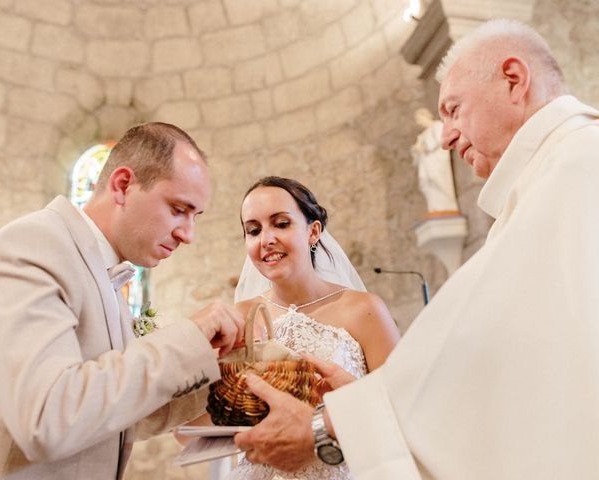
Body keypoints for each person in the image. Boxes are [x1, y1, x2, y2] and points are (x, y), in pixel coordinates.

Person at [233, 19, 599, 479]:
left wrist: (333, 427)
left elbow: (502, 372)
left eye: (453, 109)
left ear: (513, 79)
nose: (444, 137)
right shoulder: (555, 176)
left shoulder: (576, 170)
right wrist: (369, 400)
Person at [0, 122, 245, 480]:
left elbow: (117, 413)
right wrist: (188, 336)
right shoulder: (33, 246)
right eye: (178, 209)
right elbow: (48, 418)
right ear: (123, 185)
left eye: (194, 216)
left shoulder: (103, 273)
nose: (187, 234)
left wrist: (228, 371)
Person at [227, 176, 400, 479]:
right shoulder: (241, 317)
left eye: (281, 224)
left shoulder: (363, 309)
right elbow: (200, 423)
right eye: (253, 230)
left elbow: (400, 410)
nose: (266, 239)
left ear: (313, 231)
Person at [411, 107, 459, 214]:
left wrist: (424, 148)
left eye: (419, 119)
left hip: (437, 162)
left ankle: (446, 206)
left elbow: (440, 141)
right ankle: (435, 208)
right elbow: (417, 154)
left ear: (426, 116)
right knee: (425, 182)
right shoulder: (422, 135)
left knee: (437, 180)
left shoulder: (438, 126)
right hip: (426, 164)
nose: (419, 122)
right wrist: (416, 150)